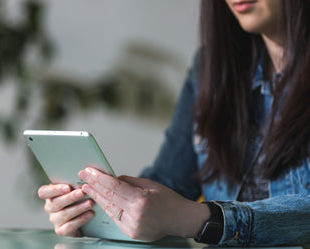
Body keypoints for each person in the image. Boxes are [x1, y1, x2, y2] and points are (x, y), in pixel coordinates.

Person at [37, 0, 310, 246]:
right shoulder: (211, 70)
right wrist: (98, 209)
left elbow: (181, 214)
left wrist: (203, 218)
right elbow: (169, 183)